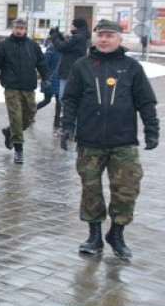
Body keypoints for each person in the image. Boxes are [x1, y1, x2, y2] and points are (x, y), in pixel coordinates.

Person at [61, 19, 159, 260]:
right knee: (91, 190)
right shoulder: (82, 65)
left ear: (119, 39)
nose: (104, 39)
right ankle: (94, 236)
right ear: (95, 38)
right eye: (101, 35)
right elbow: (70, 99)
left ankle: (116, 233)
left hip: (123, 142)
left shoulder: (132, 67)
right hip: (90, 142)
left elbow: (145, 101)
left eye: (109, 35)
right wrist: (66, 127)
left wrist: (151, 129)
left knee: (127, 190)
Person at [0, 18, 48, 164]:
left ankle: (9, 131)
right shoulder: (4, 45)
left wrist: (46, 78)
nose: (19, 30)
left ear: (25, 29)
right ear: (13, 28)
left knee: (30, 114)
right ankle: (19, 150)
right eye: (17, 28)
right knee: (16, 117)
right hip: (11, 87)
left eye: (22, 28)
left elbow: (42, 63)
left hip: (29, 86)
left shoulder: (32, 46)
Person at [48, 18, 91, 129]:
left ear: (76, 26)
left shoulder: (78, 37)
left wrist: (54, 36)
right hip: (71, 71)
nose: (70, 26)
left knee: (65, 98)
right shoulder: (81, 36)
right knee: (67, 99)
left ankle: (74, 124)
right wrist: (59, 36)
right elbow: (67, 45)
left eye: (72, 25)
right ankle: (72, 124)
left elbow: (61, 47)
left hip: (69, 72)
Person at [34, 28, 61, 122]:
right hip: (52, 77)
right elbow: (45, 62)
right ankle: (30, 113)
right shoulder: (52, 48)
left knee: (56, 100)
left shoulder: (55, 48)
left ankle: (57, 120)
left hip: (55, 77)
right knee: (50, 100)